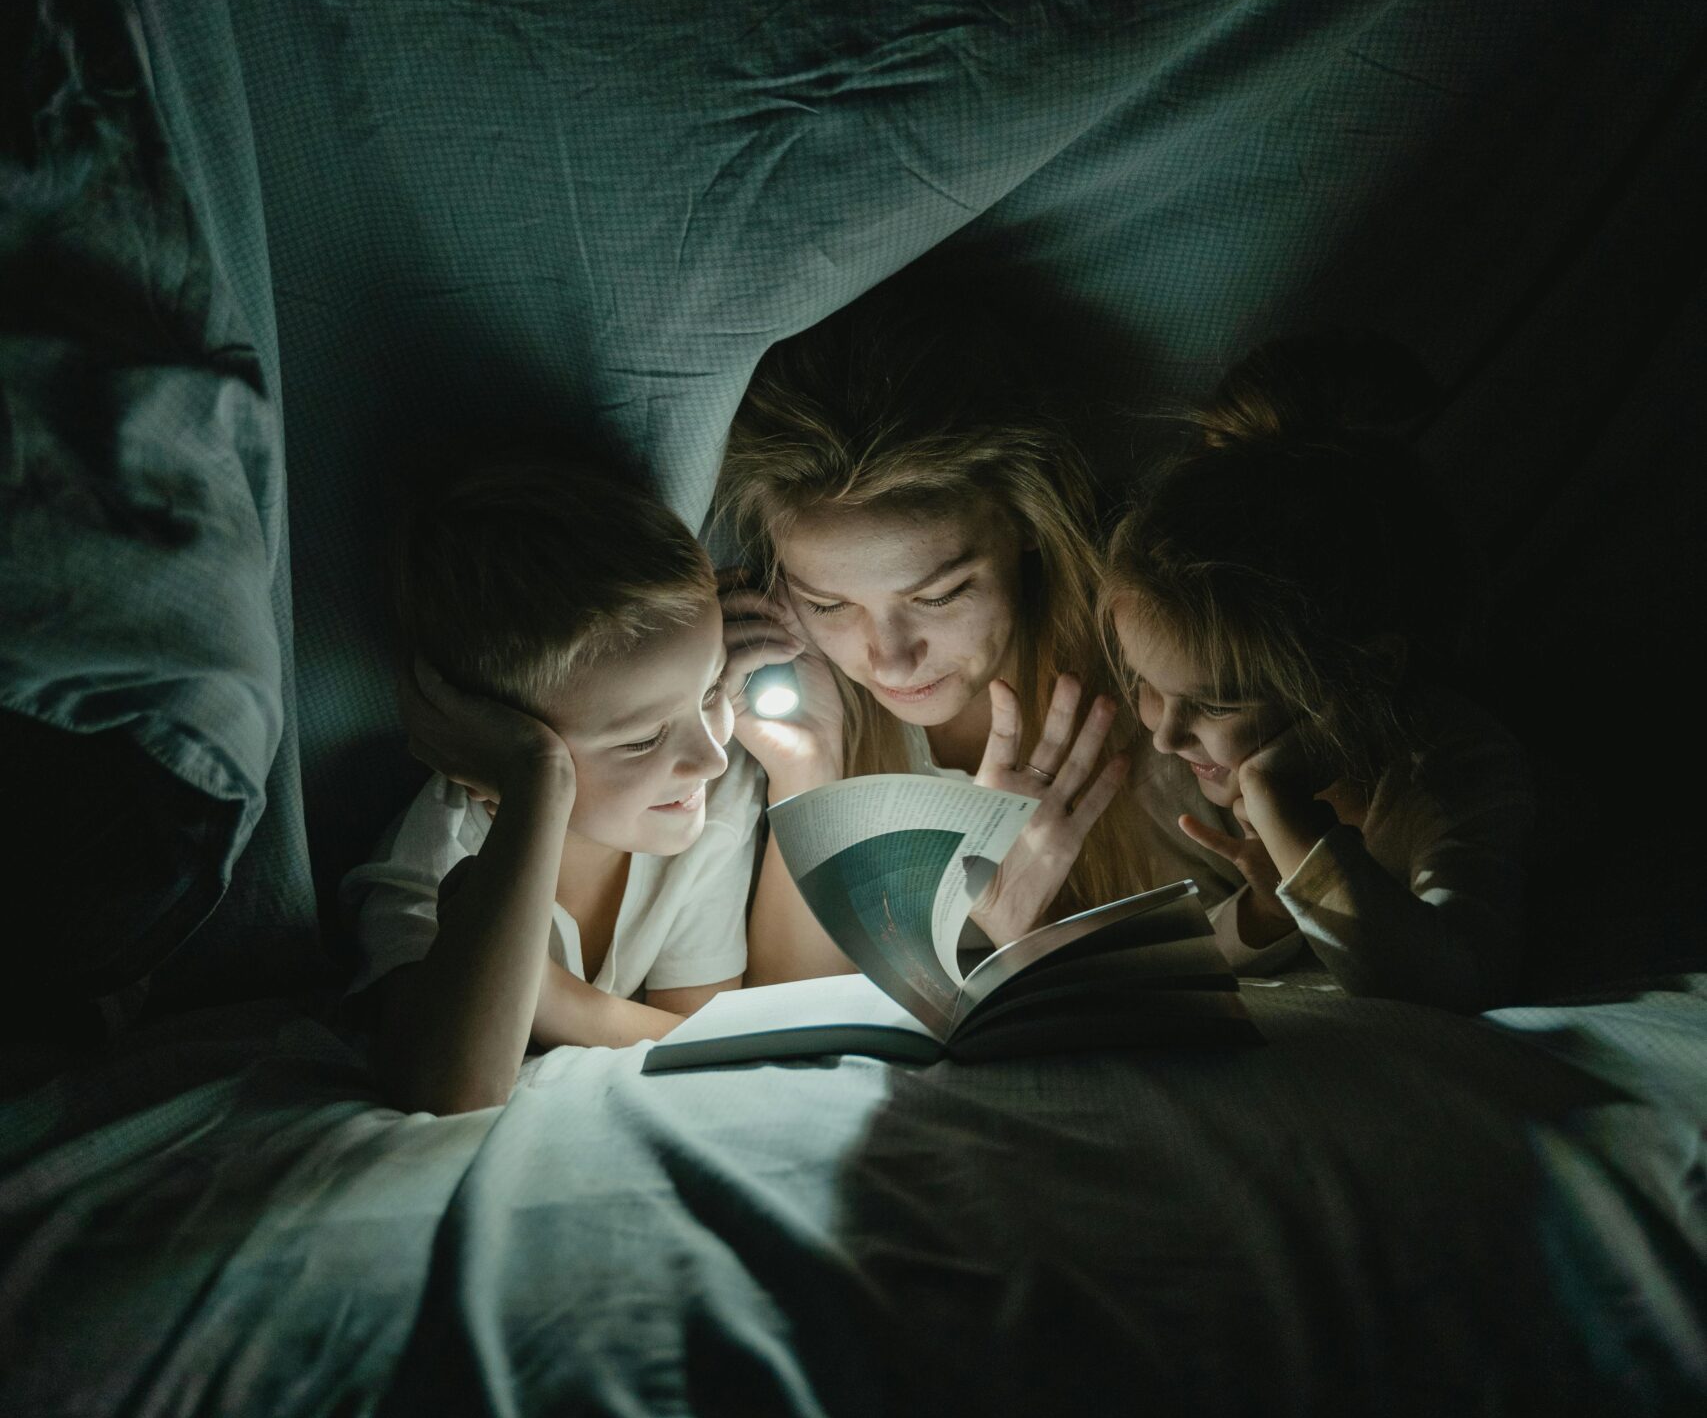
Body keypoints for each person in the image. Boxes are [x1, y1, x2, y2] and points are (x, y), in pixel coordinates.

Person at [713, 283, 1149, 984]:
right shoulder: (808, 706)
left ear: (1027, 526)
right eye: (827, 603)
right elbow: (788, 1000)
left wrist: (1026, 934)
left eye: (939, 594)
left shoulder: (1150, 690)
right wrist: (807, 775)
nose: (887, 658)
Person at [1099, 334, 1532, 1011]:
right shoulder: (1175, 770)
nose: (1165, 734)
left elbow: (1458, 977)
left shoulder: (1451, 763)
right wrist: (1267, 911)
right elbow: (1174, 958)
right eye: (1148, 686)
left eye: (1215, 703)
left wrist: (1292, 821)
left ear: (1366, 674)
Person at [342, 443, 763, 1113]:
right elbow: (450, 1090)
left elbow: (708, 1035)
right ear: (487, 751)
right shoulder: (436, 850)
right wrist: (535, 779)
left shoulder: (710, 794)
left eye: (710, 690)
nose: (711, 755)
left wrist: (554, 1002)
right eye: (641, 738)